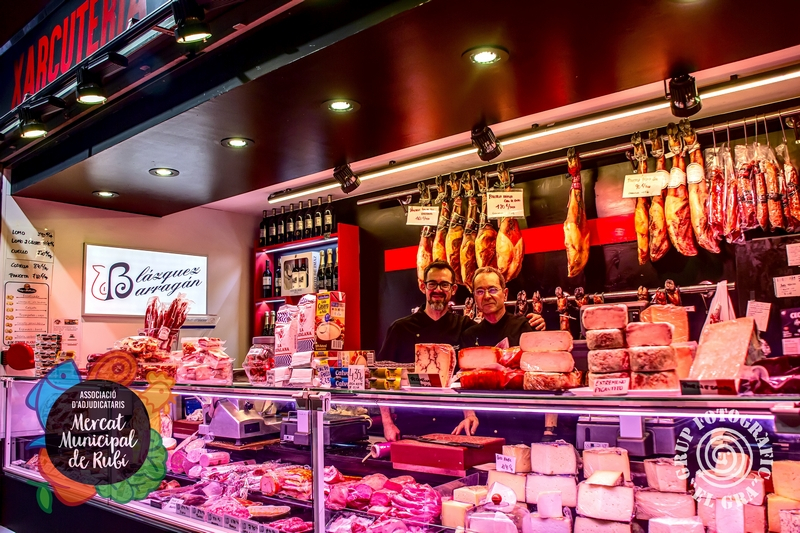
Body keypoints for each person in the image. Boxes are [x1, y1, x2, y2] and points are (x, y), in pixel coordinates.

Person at [377, 261, 475, 440]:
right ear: (423, 287)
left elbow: (468, 377)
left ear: (453, 289)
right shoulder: (401, 328)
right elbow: (381, 377)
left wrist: (470, 414)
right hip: (411, 422)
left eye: (444, 284)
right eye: (432, 284)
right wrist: (387, 422)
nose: (438, 289)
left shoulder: (465, 327)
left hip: (453, 424)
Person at [460, 267, 541, 348]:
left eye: (493, 290)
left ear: (505, 294)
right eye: (480, 292)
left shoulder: (523, 327)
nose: (487, 296)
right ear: (475, 297)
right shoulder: (469, 337)